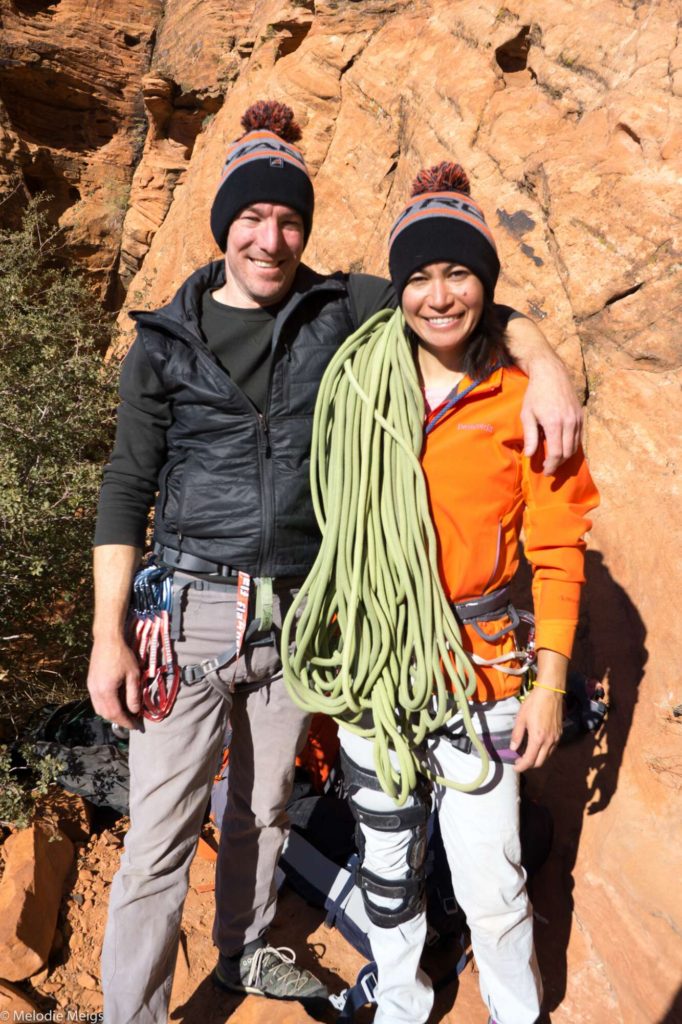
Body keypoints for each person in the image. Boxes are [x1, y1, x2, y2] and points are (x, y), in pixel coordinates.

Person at [86, 96, 584, 1023]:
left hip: (301, 622)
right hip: (187, 616)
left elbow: (455, 294)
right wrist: (105, 635)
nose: (270, 238)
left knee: (266, 810)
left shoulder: (339, 307)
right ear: (223, 224)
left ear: (304, 230)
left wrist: (544, 358)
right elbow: (124, 487)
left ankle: (241, 954)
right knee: (158, 838)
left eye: (288, 220)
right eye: (252, 217)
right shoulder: (161, 343)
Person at [283, 161, 599, 1024]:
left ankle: (515, 1009)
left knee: (491, 875)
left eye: (458, 271)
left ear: (486, 286)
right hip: (374, 670)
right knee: (386, 871)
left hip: (483, 675)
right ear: (398, 288)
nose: (438, 294)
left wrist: (550, 683)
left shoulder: (524, 403)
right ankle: (402, 1004)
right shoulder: (356, 383)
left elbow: (560, 548)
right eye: (418, 276)